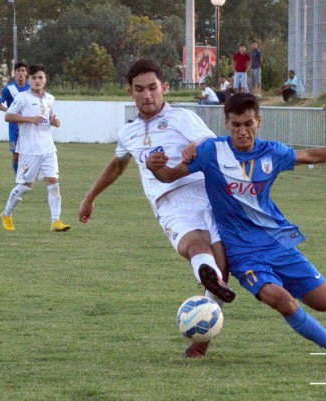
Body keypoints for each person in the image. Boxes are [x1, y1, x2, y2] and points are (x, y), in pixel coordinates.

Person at [146, 93, 326, 368]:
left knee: (324, 301)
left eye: (248, 124)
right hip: (242, 253)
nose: (242, 131)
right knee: (282, 300)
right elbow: (171, 175)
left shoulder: (273, 152)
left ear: (259, 121)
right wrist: (155, 169)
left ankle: (282, 296)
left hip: (276, 243)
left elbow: (311, 155)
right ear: (226, 123)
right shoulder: (211, 152)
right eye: (235, 125)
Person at [77, 59, 235, 358]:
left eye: (152, 88)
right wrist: (90, 196)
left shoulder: (183, 118)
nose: (147, 95)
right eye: (140, 89)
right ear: (130, 92)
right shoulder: (128, 133)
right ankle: (204, 310)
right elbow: (118, 164)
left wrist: (194, 150)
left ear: (164, 88)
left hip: (205, 190)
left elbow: (214, 148)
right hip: (170, 200)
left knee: (222, 260)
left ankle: (209, 287)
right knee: (194, 244)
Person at [0, 64, 70, 232]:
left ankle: (56, 222)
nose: (37, 81)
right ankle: (6, 214)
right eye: (34, 78)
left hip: (48, 148)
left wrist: (54, 121)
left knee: (53, 183)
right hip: (30, 149)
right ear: (29, 80)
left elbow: (50, 116)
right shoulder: (22, 98)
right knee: (25, 186)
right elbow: (8, 116)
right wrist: (29, 119)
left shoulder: (50, 98)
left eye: (40, 77)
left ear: (45, 79)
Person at [0, 62, 30, 176]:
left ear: (26, 73)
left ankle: (26, 176)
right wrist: (8, 111)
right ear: (14, 73)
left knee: (28, 153)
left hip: (28, 125)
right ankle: (18, 178)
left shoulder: (30, 88)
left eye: (23, 70)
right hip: (14, 126)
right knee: (16, 155)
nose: (21, 73)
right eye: (18, 71)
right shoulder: (8, 88)